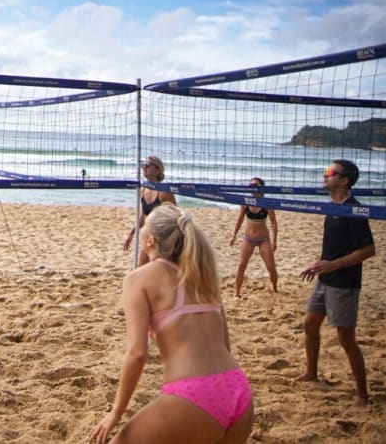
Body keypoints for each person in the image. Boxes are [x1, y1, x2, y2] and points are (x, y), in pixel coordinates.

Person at [89, 203, 253, 443]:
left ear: (150, 241)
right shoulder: (203, 277)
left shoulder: (139, 279)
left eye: (144, 224)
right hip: (238, 390)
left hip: (194, 393)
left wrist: (115, 413)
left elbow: (136, 354)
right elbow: (225, 346)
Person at [296, 160, 375, 407]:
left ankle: (363, 395)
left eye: (330, 173)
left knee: (346, 339)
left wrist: (334, 265)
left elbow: (369, 249)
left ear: (344, 180)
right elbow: (334, 248)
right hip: (325, 277)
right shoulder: (332, 208)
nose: (324, 175)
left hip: (344, 281)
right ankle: (311, 373)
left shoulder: (354, 211)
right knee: (309, 324)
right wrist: (319, 263)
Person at [229, 177, 279, 297]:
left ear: (260, 188)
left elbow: (273, 222)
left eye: (254, 185)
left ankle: (275, 288)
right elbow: (240, 219)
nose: (252, 188)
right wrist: (234, 235)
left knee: (271, 267)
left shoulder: (267, 203)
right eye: (250, 185)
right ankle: (237, 293)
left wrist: (275, 240)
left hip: (264, 239)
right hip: (248, 238)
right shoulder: (246, 201)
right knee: (241, 265)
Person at [123, 156, 177, 266]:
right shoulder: (142, 189)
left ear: (157, 170)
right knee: (141, 268)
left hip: (163, 238)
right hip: (150, 236)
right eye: (143, 165)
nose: (144, 167)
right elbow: (143, 216)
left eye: (147, 165)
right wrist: (131, 235)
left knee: (162, 271)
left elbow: (176, 218)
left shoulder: (165, 192)